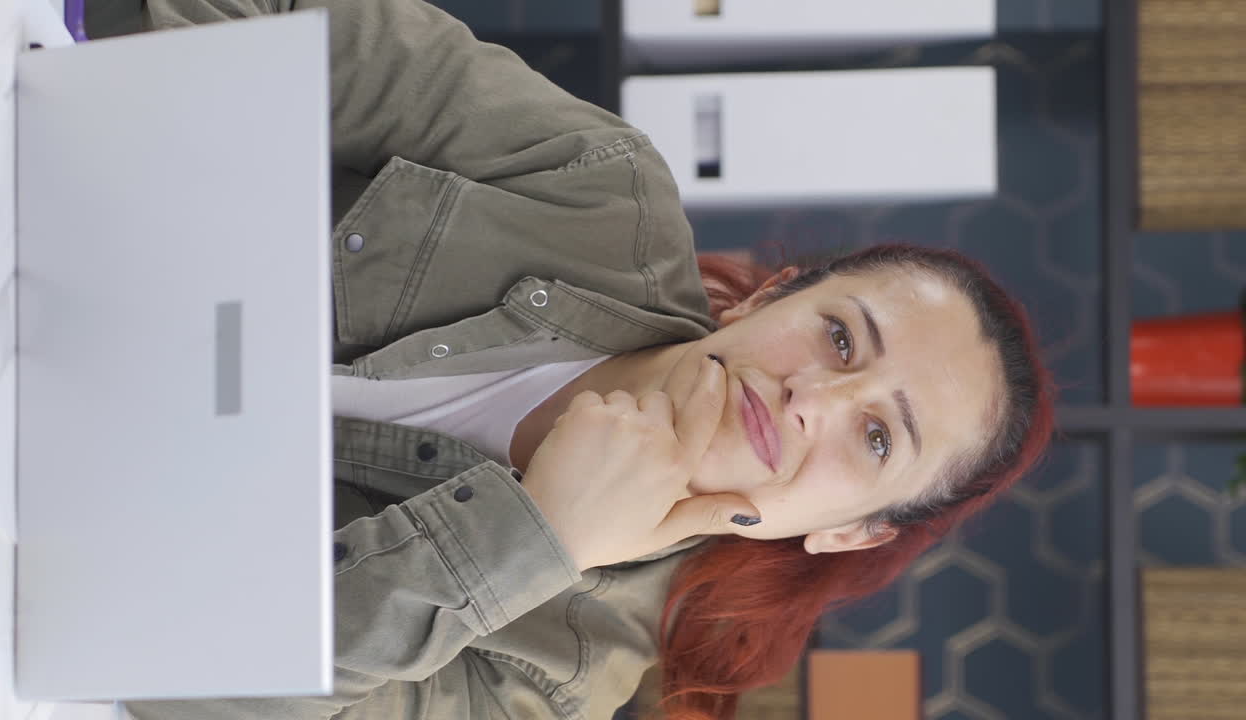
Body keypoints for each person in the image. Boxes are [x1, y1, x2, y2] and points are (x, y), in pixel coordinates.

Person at [123, 0, 1056, 719]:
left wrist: (540, 536)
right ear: (779, 293)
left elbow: (183, 684)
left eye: (879, 438)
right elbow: (287, 31)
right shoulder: (596, 183)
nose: (814, 395)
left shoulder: (563, 676)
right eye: (842, 336)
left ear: (853, 533)